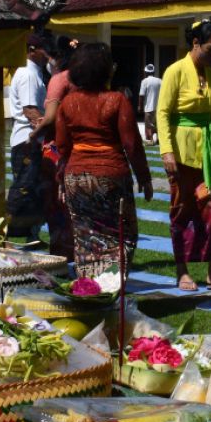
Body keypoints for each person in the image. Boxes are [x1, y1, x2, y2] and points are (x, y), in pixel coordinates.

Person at [156, 19, 211, 291]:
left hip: (209, 151)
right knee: (182, 210)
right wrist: (166, 150)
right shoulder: (175, 71)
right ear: (195, 43)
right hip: (182, 151)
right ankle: (182, 270)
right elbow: (163, 113)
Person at [56, 43, 154, 277]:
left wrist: (61, 179)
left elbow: (62, 146)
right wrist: (144, 177)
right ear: (105, 70)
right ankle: (112, 287)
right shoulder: (117, 100)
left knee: (84, 237)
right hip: (111, 176)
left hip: (75, 177)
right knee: (122, 234)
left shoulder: (67, 103)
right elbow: (132, 144)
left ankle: (89, 286)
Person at [30, 36, 78, 257]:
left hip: (55, 147)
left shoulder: (59, 80)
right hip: (77, 146)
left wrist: (34, 134)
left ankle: (61, 249)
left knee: (55, 199)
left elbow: (49, 119)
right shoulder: (82, 78)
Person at [6, 32, 51, 237]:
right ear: (32, 50)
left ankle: (29, 234)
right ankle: (8, 232)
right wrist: (51, 129)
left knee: (34, 190)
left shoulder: (34, 72)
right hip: (27, 138)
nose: (47, 56)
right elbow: (30, 110)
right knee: (23, 188)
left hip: (31, 138)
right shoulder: (28, 74)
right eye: (44, 50)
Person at [139, 64, 163, 144]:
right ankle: (159, 139)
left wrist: (140, 106)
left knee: (149, 125)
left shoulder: (144, 81)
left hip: (148, 107)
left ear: (146, 72)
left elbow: (141, 95)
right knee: (157, 124)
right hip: (158, 107)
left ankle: (151, 140)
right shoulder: (160, 81)